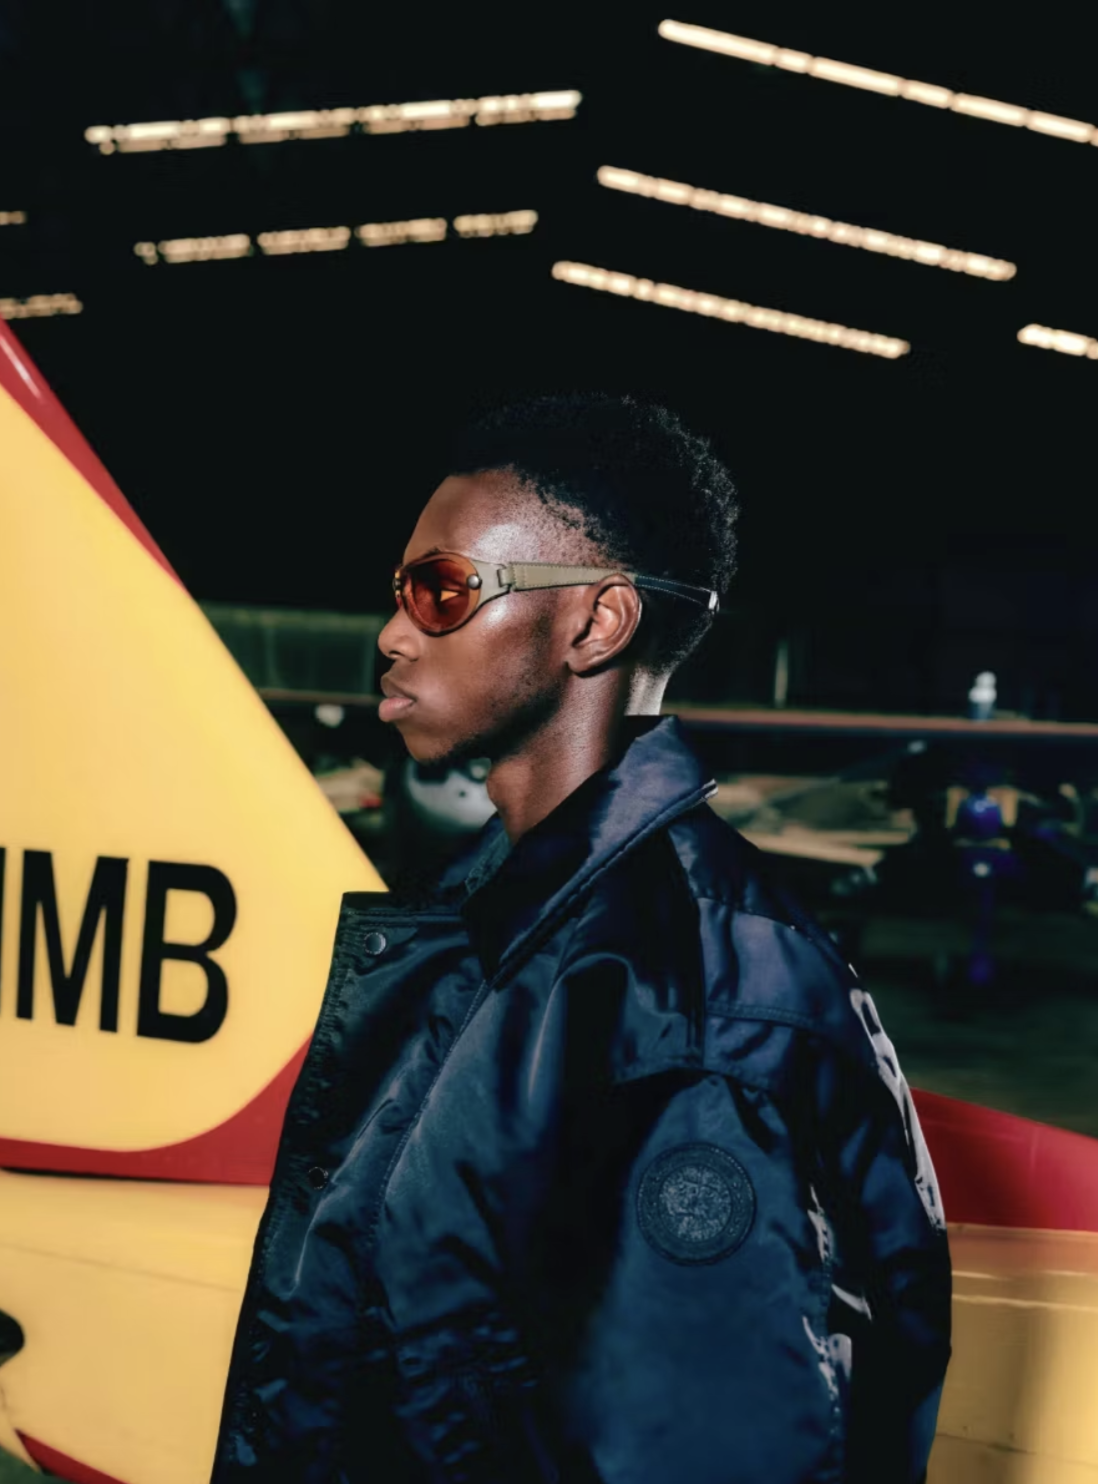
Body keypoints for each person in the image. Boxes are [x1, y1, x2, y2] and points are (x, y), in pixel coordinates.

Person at [210, 394, 952, 1484]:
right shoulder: (512, 922)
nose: (392, 630)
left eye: (443, 589)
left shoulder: (688, 1010)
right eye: (400, 590)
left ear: (596, 623)